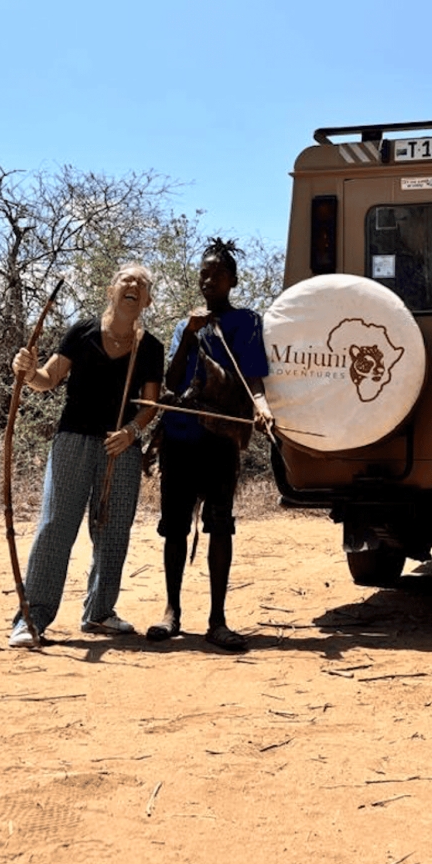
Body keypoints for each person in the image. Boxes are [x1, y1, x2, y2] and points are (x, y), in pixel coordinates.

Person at [8, 265, 164, 647]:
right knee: (55, 527)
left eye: (142, 284)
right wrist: (26, 372)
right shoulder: (82, 332)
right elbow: (46, 380)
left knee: (112, 532)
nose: (133, 286)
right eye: (127, 279)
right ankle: (32, 619)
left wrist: (131, 433)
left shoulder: (152, 347)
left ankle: (99, 613)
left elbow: (150, 404)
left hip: (121, 448)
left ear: (147, 300)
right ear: (112, 290)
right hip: (73, 442)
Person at [147, 239, 273, 652]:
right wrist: (187, 335)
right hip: (180, 435)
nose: (209, 280)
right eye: (203, 273)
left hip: (220, 436)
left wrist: (261, 407)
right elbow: (171, 381)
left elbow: (253, 376)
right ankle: (171, 612)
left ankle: (217, 619)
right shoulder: (187, 324)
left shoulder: (246, 322)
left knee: (220, 524)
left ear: (232, 280)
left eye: (217, 274)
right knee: (175, 526)